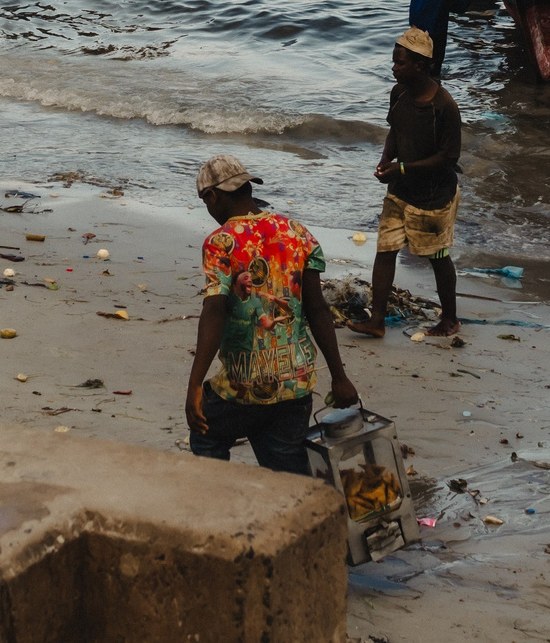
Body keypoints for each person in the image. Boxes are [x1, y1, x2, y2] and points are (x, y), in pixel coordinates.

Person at [183, 155, 359, 473]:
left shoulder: (221, 242)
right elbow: (317, 308)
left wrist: (195, 384)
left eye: (205, 201)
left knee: (206, 434)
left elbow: (215, 309)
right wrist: (339, 376)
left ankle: (216, 504)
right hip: (297, 384)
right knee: (285, 464)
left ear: (212, 196)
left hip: (243, 386)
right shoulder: (297, 233)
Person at [349, 29, 463, 340]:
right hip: (400, 190)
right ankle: (377, 320)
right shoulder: (398, 93)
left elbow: (447, 158)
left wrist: (401, 167)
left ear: (420, 66)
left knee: (437, 256)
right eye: (393, 62)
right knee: (385, 250)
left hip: (433, 196)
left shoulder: (444, 107)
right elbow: (395, 130)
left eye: (400, 64)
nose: (394, 68)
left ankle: (450, 318)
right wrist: (387, 159)